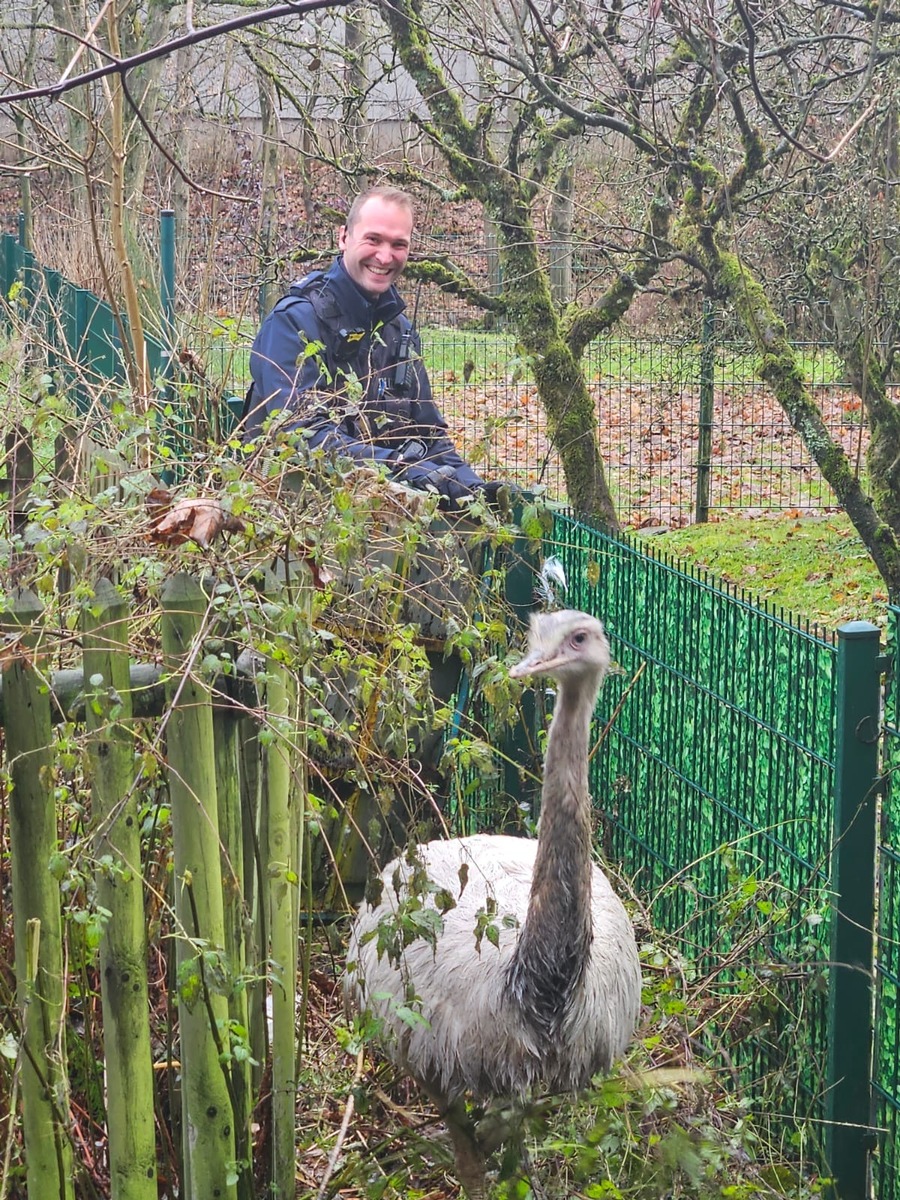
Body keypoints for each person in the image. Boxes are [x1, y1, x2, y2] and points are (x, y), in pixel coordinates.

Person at [245, 185, 500, 511]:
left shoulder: (399, 331)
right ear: (343, 237)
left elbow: (429, 434)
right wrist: (401, 466)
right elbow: (301, 437)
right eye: (373, 239)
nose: (384, 256)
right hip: (293, 522)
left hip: (382, 523)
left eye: (398, 244)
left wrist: (474, 491)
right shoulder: (293, 324)